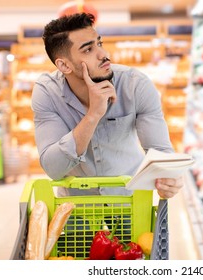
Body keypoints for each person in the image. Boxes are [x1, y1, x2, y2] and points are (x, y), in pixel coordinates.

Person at [31, 12, 183, 198]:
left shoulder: (135, 85)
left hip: (130, 202)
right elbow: (53, 167)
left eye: (99, 44)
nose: (104, 55)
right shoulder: (47, 91)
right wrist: (93, 115)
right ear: (64, 66)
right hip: (77, 209)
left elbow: (161, 153)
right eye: (88, 50)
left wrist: (169, 179)